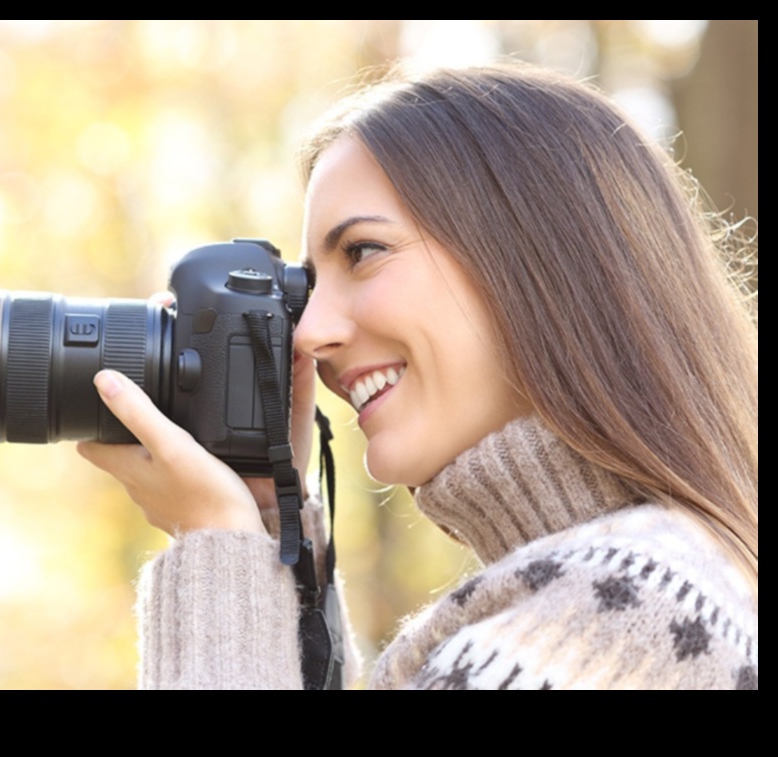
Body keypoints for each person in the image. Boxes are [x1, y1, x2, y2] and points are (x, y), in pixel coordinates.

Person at [77, 63, 758, 689]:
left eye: (364, 252)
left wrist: (216, 555)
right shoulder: (627, 591)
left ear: (540, 260)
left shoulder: (630, 607)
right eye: (308, 286)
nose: (311, 332)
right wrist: (261, 522)